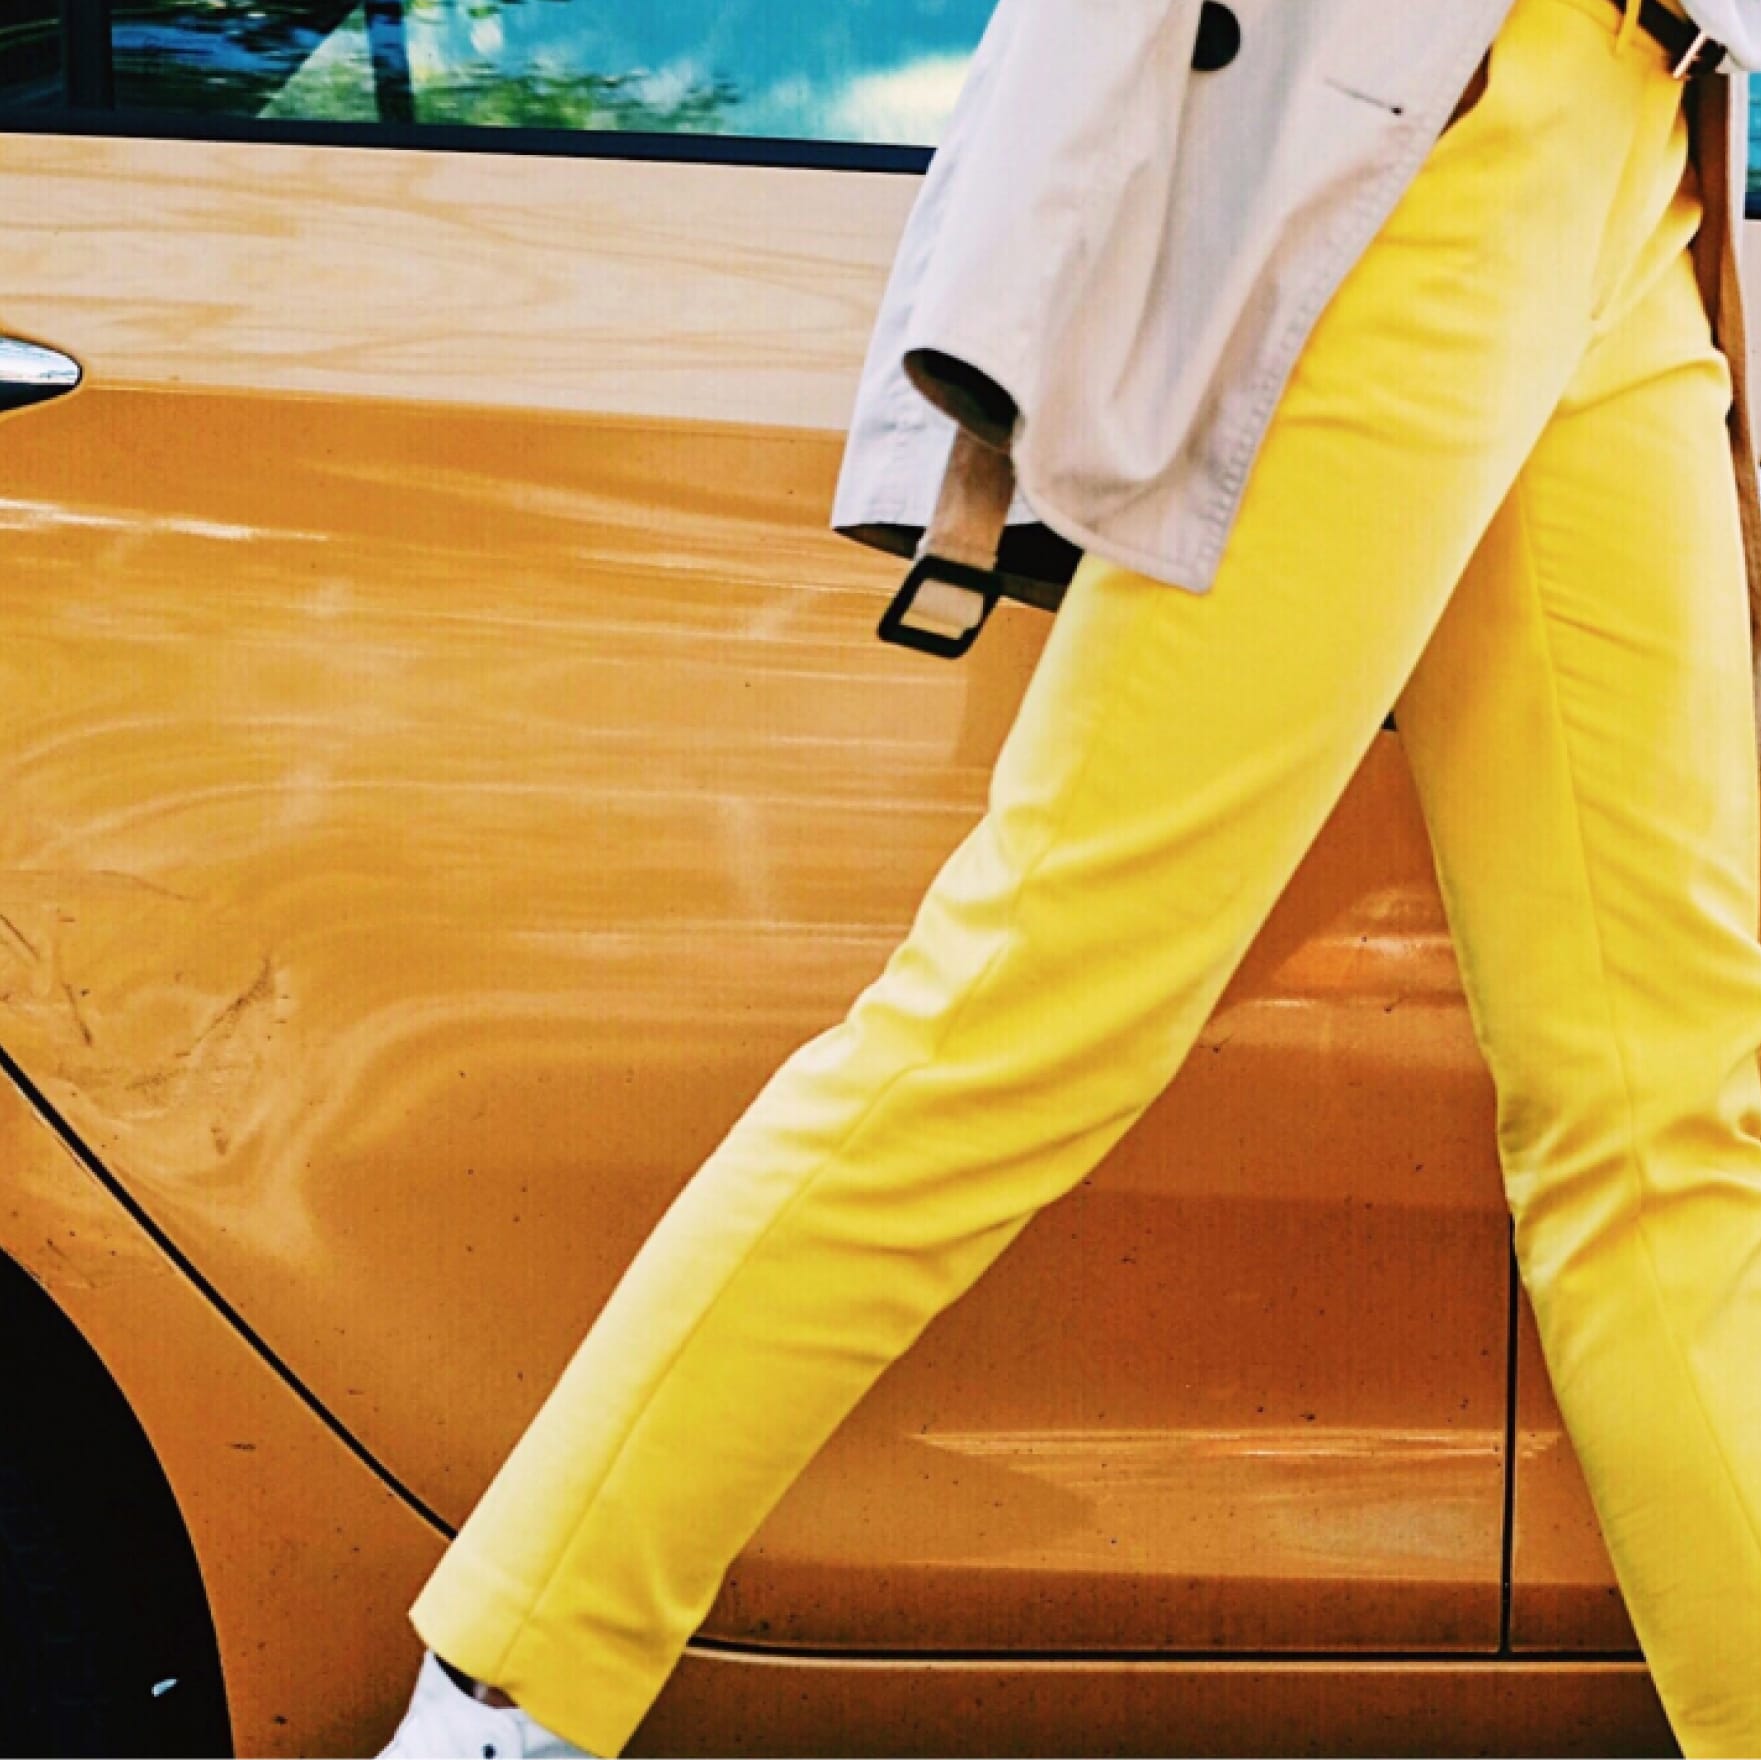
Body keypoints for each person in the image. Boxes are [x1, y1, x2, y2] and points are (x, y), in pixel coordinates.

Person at [378, 0, 1761, 1754]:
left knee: (1663, 1110)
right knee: (1040, 998)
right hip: (1420, 123)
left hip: (1634, 153)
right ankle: (504, 1697)